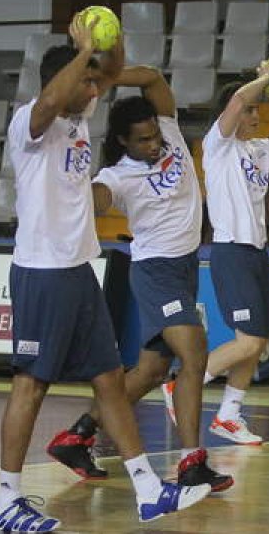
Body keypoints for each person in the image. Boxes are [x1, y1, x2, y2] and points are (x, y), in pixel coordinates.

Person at [0, 18, 209, 533]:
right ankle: (4, 501)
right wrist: (82, 51)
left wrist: (108, 44)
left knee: (111, 380)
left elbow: (110, 74)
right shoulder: (31, 121)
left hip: (78, 269)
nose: (96, 91)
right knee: (31, 386)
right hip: (42, 271)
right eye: (86, 82)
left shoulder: (78, 116)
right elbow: (50, 100)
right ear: (60, 81)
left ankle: (149, 490)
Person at [43, 62, 231, 492]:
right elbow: (93, 200)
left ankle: (77, 436)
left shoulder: (169, 129)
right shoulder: (116, 177)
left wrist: (103, 78)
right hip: (155, 271)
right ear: (122, 141)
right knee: (195, 352)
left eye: (155, 136)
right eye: (143, 140)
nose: (154, 144)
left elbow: (151, 78)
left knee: (149, 371)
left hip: (184, 267)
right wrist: (68, 181)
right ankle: (190, 462)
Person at [198, 58, 269, 445]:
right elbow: (234, 105)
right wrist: (263, 77)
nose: (254, 115)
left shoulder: (259, 150)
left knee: (257, 341)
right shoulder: (218, 144)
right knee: (248, 342)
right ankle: (185, 384)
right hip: (231, 251)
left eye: (256, 109)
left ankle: (229, 416)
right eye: (250, 109)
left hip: (255, 252)